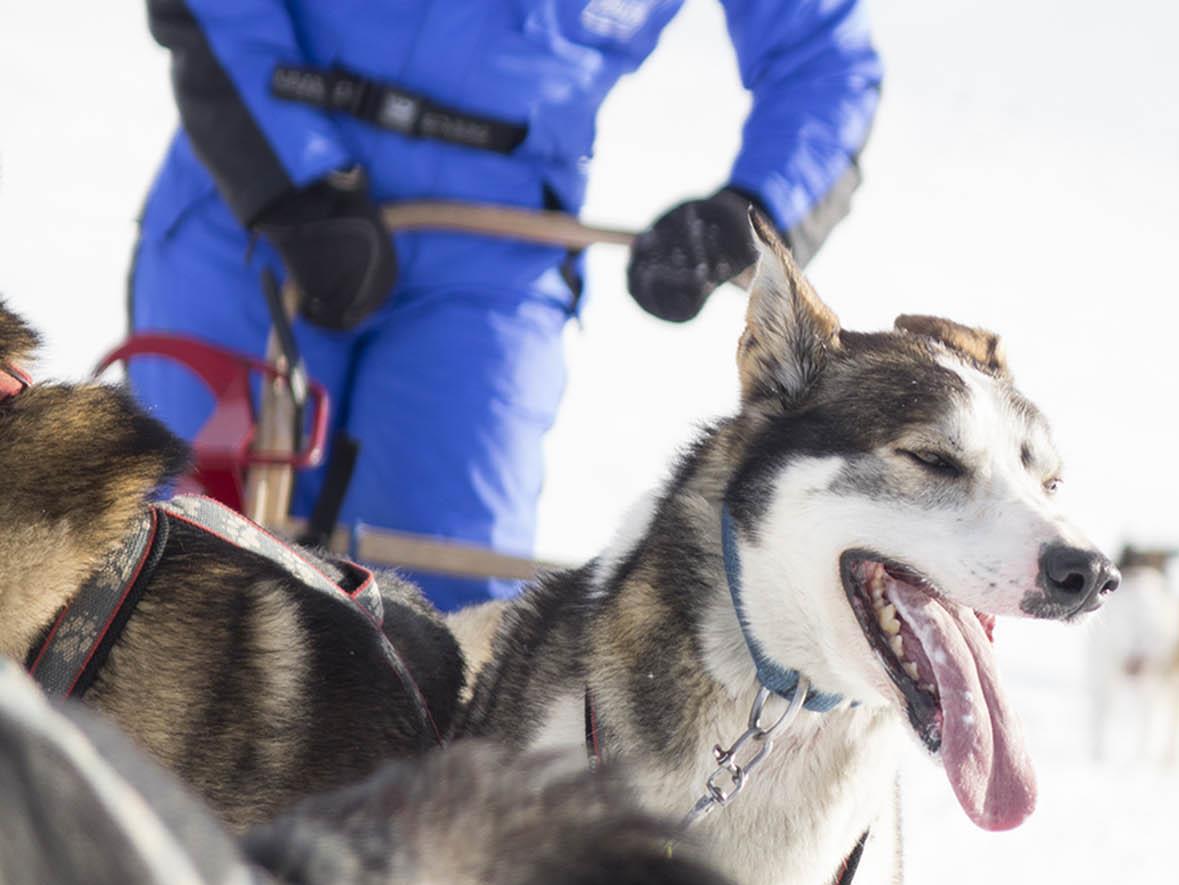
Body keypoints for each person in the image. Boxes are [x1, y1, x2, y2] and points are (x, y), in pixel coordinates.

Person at [129, 0, 883, 609]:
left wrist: (747, 211)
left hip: (493, 254)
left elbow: (826, 63)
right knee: (181, 567)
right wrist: (287, 181)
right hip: (249, 206)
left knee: (440, 601)